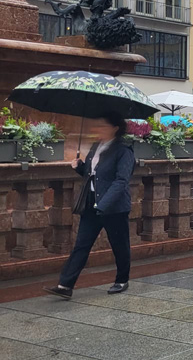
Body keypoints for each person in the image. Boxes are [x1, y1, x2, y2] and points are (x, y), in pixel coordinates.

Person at [45, 112, 135, 299]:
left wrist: (104, 204)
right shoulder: (96, 147)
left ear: (115, 129)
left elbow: (121, 181)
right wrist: (79, 166)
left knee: (119, 245)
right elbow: (93, 174)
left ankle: (121, 280)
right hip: (91, 203)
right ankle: (65, 285)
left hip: (114, 207)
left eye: (103, 126)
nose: (97, 130)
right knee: (81, 245)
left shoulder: (124, 151)